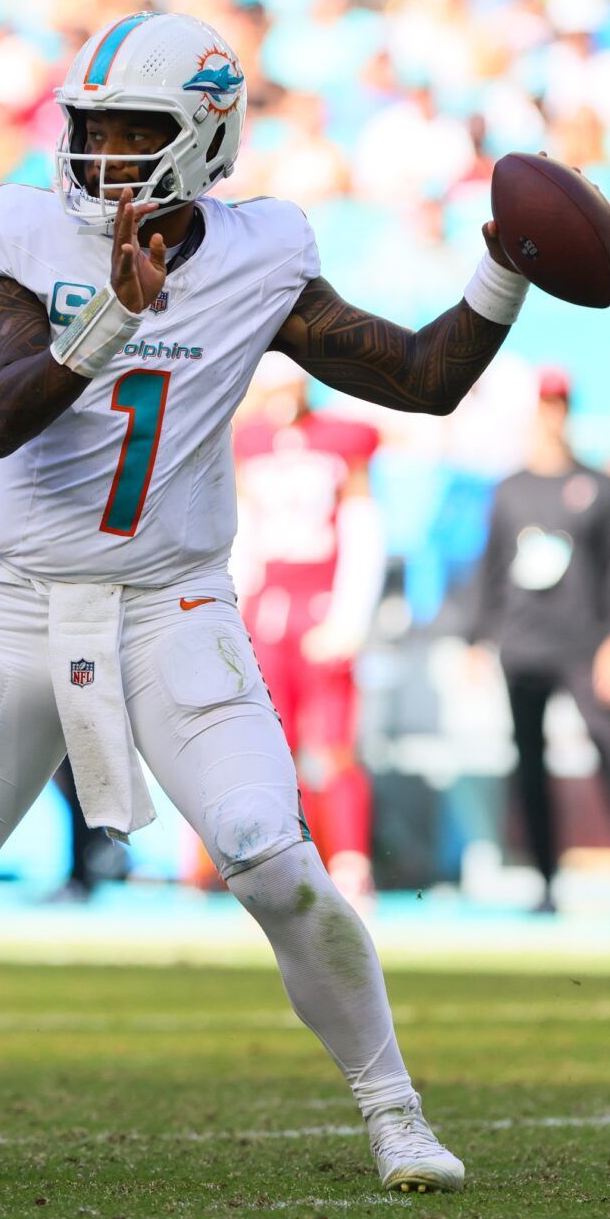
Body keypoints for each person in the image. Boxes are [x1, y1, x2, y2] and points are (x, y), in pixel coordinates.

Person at [0, 13, 534, 1196]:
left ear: (207, 137)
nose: (108, 154)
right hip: (17, 604)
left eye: (141, 131)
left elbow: (422, 378)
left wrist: (505, 267)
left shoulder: (257, 254)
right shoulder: (22, 228)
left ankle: (395, 1110)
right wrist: (114, 314)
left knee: (268, 856)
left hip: (170, 603)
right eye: (94, 128)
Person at [470, 368, 610, 906]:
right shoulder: (510, 490)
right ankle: (545, 883)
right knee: (530, 763)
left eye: (560, 404)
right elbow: (492, 570)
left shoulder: (598, 485)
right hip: (525, 647)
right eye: (545, 404)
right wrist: (478, 640)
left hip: (584, 646)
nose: (552, 414)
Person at [234, 354, 385, 902]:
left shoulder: (342, 441)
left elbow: (362, 526)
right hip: (268, 606)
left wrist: (351, 613)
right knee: (273, 744)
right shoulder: (248, 442)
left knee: (335, 743)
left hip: (321, 601)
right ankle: (281, 854)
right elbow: (243, 531)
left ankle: (349, 859)